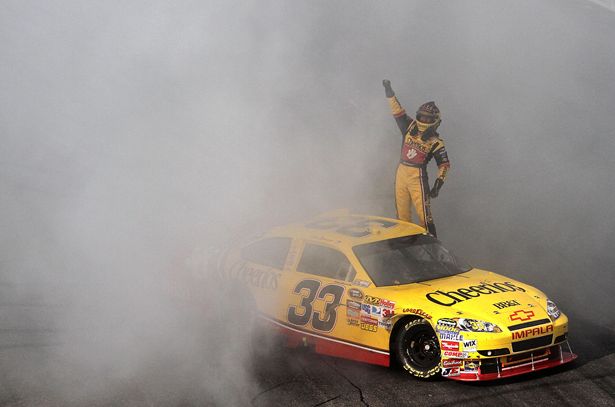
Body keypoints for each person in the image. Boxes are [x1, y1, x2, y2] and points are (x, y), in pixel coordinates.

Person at [383, 79, 450, 237]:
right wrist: (389, 90)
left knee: (425, 218)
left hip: (417, 177)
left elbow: (445, 165)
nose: (424, 120)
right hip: (401, 172)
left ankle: (434, 247)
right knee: (402, 217)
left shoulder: (436, 142)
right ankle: (405, 246)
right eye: (422, 117)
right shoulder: (409, 126)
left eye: (428, 118)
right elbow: (397, 110)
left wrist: (438, 185)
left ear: (435, 121)